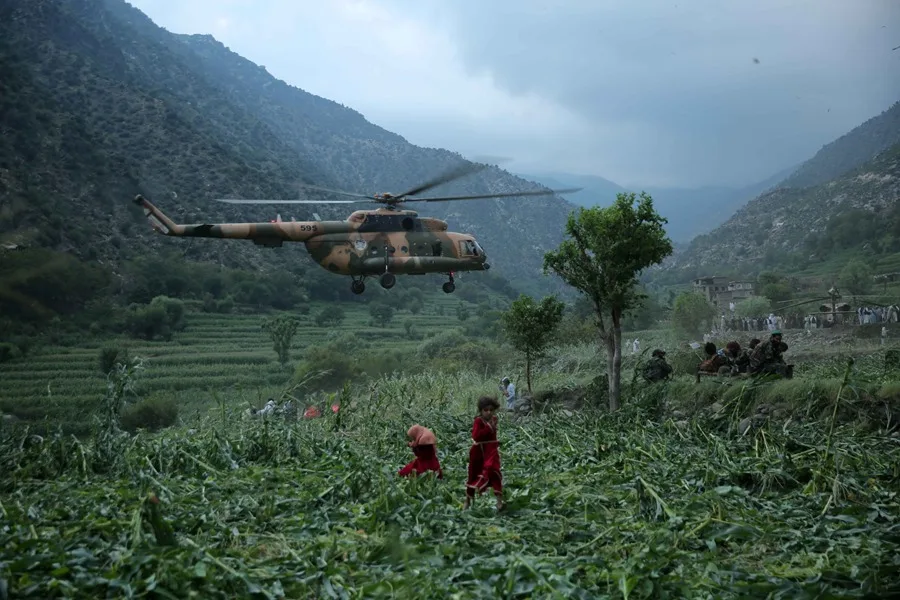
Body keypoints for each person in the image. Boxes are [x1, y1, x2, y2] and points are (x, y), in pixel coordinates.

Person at [464, 396, 503, 510]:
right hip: (478, 452)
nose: (489, 412)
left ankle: (499, 500)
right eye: (486, 410)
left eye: (491, 410)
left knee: (494, 471)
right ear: (481, 411)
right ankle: (468, 500)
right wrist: (489, 428)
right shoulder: (478, 421)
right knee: (473, 475)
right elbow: (476, 436)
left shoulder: (494, 419)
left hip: (491, 451)